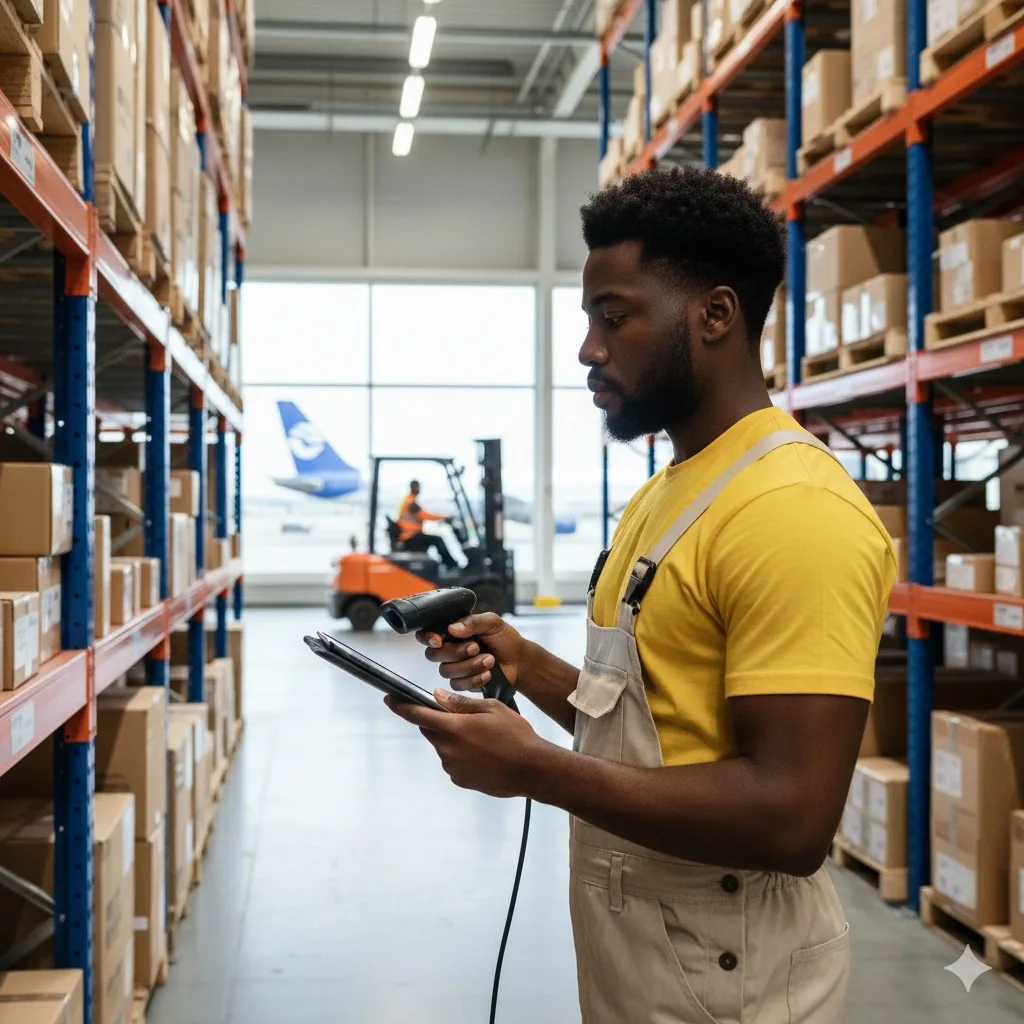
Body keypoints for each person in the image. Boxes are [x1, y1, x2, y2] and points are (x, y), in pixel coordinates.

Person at [385, 166, 897, 1023]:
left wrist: (538, 771)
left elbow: (792, 817)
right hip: (651, 949)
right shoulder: (673, 492)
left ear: (716, 315)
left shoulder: (792, 510)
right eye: (589, 320)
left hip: (733, 977)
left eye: (613, 318)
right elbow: (649, 716)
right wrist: (527, 662)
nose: (589, 348)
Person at [397, 479, 458, 569]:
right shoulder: (410, 503)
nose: (419, 489)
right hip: (410, 537)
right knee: (438, 540)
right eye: (417, 487)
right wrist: (444, 518)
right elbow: (425, 515)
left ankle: (449, 564)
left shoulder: (409, 500)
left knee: (435, 539)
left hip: (411, 535)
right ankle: (451, 565)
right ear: (413, 487)